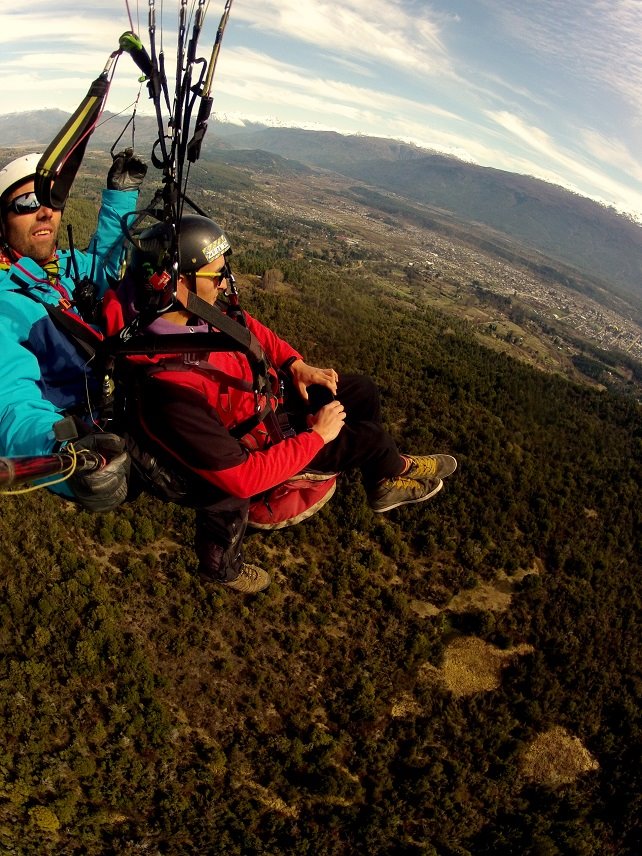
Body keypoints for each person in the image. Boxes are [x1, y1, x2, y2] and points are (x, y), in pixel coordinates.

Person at [107, 215, 457, 593]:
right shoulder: (171, 391)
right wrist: (317, 438)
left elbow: (249, 330)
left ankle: (383, 481)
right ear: (177, 284)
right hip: (262, 452)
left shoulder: (191, 316)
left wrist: (295, 364)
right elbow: (241, 478)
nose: (224, 283)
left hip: (266, 409)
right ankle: (394, 467)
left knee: (362, 391)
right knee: (370, 439)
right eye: (215, 276)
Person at [0, 149, 145, 510]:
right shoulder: (6, 303)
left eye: (52, 198)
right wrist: (63, 449)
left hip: (125, 393)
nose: (45, 210)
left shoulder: (59, 267)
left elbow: (106, 265)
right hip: (89, 430)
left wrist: (120, 195)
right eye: (28, 203)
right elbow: (10, 404)